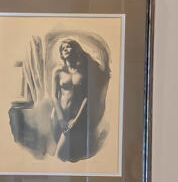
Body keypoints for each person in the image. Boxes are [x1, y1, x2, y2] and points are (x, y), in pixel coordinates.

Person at [7, 29, 108, 165]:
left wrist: (76, 119)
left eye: (69, 47)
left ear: (76, 50)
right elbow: (54, 96)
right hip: (59, 115)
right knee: (54, 152)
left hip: (77, 116)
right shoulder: (58, 71)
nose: (66, 49)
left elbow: (87, 97)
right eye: (63, 48)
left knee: (69, 152)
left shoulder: (83, 72)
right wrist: (61, 119)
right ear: (61, 53)